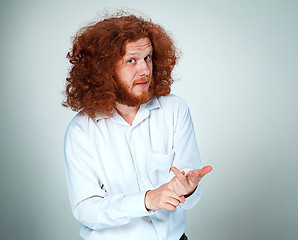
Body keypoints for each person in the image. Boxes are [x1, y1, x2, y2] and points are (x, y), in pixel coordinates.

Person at [63, 12, 212, 240]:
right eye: (131, 60)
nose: (145, 70)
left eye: (148, 58)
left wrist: (187, 189)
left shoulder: (175, 110)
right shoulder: (82, 130)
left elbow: (190, 190)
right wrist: (146, 200)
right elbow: (85, 210)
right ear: (104, 70)